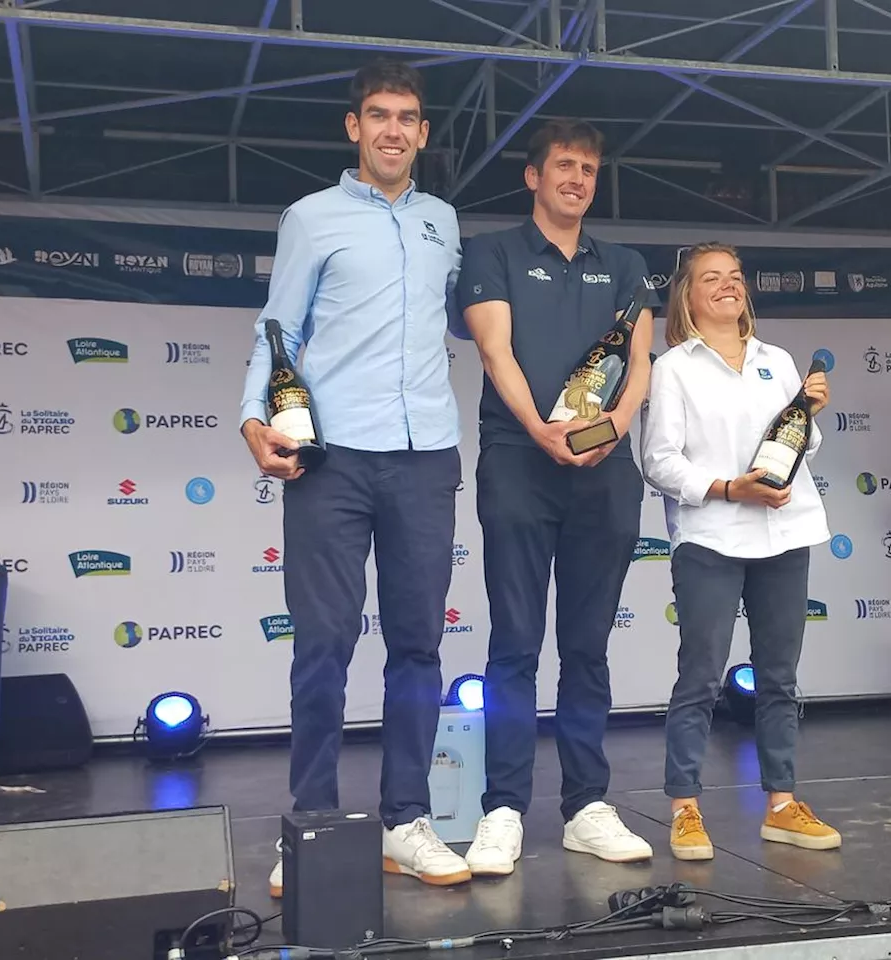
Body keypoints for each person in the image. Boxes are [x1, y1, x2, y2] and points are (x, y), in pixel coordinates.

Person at [238, 57, 471, 894]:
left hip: (425, 457)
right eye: (378, 115)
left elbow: (482, 324)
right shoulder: (312, 216)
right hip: (330, 457)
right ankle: (309, 823)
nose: (393, 130)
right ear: (354, 127)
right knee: (325, 644)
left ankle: (407, 820)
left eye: (407, 117)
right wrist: (253, 419)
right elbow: (278, 329)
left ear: (423, 132)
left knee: (417, 646)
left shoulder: (446, 221)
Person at [453, 119, 655, 875]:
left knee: (587, 646)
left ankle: (585, 806)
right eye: (564, 166)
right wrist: (541, 429)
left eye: (589, 170)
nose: (577, 178)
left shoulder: (628, 264)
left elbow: (638, 363)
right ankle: (502, 807)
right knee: (513, 644)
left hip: (606, 466)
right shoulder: (492, 252)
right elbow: (495, 349)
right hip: (519, 460)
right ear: (533, 176)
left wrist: (617, 424)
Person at [640, 242, 842, 860]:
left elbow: (806, 449)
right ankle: (685, 808)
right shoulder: (673, 367)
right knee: (700, 676)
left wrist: (810, 414)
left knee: (780, 677)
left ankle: (781, 804)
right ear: (689, 295)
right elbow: (658, 462)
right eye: (712, 278)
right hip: (713, 535)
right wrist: (730, 488)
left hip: (785, 532)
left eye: (735, 277)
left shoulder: (777, 360)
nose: (728, 285)